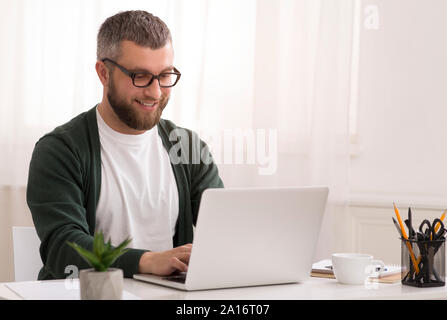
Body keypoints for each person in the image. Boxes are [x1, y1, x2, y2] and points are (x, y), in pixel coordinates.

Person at [26, 10, 224, 280]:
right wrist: (148, 260)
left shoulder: (188, 147)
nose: (154, 92)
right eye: (139, 76)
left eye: (165, 75)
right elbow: (63, 247)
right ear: (104, 73)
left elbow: (225, 232)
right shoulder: (60, 150)